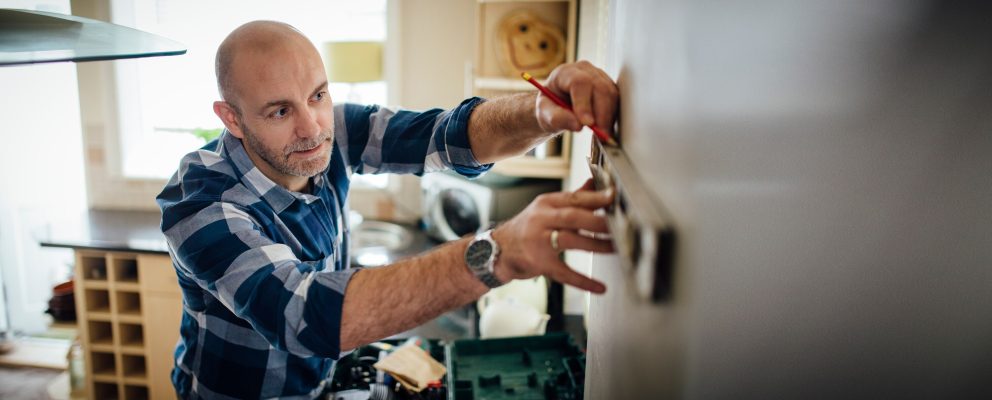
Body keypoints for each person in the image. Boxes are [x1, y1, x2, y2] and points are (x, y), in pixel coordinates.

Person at [156, 20, 618, 399]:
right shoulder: (198, 202)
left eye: (318, 95)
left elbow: (447, 136)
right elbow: (301, 314)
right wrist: (499, 251)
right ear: (232, 119)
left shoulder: (331, 128)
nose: (311, 128)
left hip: (322, 383)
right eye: (279, 112)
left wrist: (540, 109)